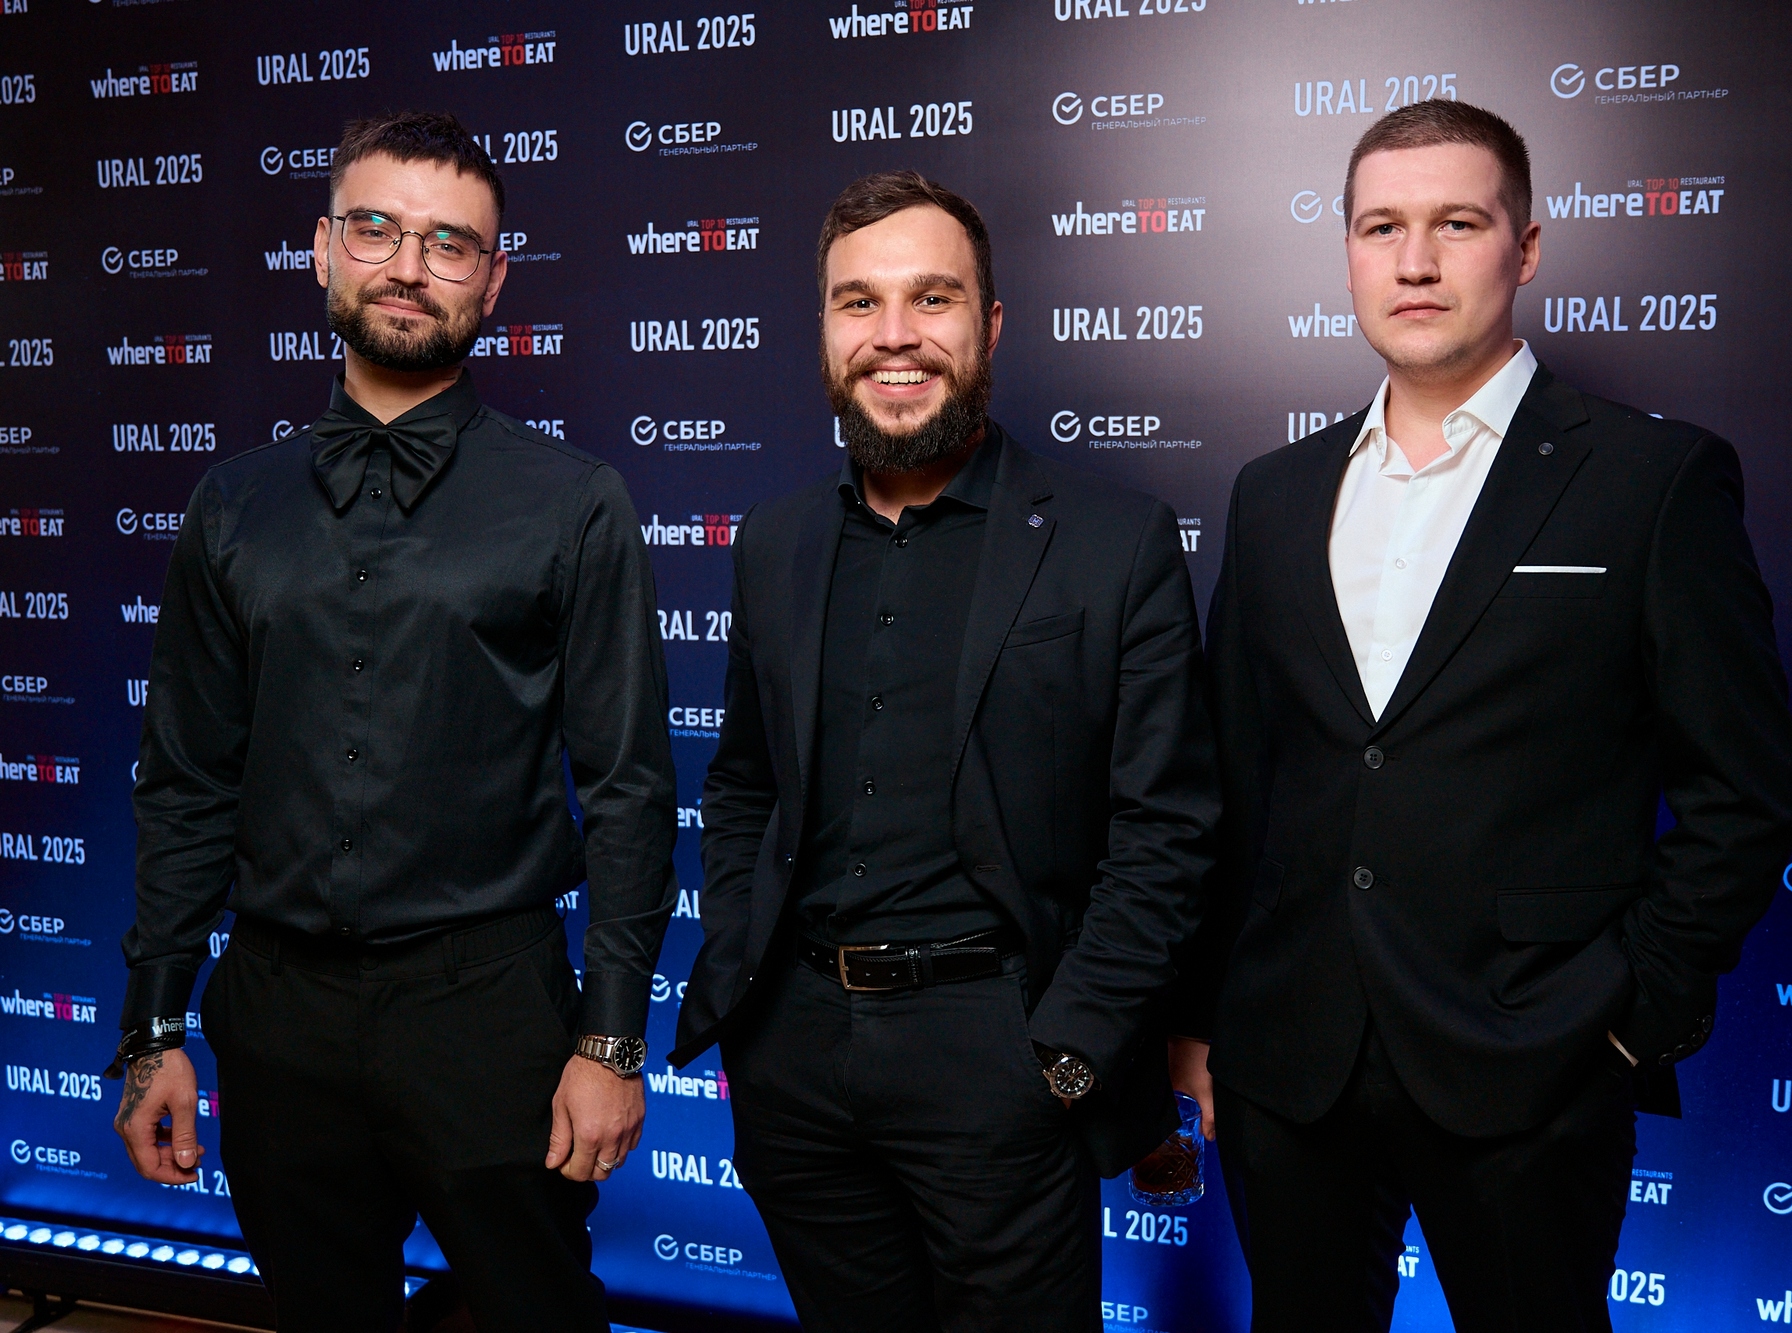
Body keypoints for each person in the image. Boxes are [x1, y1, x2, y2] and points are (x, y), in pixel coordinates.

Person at [1169, 100, 1792, 1331]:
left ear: (1526, 246)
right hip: (1288, 1065)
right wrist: (1199, 1019)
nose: (1414, 261)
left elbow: (1743, 791)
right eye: (1381, 228)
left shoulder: (1651, 480)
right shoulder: (1273, 492)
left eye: (1456, 223)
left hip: (1533, 1064)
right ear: (1347, 253)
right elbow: (1231, 777)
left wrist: (1625, 1016)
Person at [108, 111, 678, 1333]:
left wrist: (612, 1042)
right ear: (323, 250)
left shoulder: (574, 501)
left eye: (448, 243)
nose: (409, 266)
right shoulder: (231, 504)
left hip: (491, 1014)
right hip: (276, 1016)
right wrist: (153, 1028)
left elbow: (629, 788)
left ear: (492, 280)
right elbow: (187, 780)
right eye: (375, 229)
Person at [672, 171, 1219, 1332]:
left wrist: (1065, 1056)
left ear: (991, 324)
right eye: (858, 302)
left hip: (999, 1055)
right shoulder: (773, 540)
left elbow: (1166, 830)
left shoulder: (1111, 541)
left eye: (932, 298)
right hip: (795, 1060)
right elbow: (743, 785)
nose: (895, 335)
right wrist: (748, 997)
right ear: (824, 330)